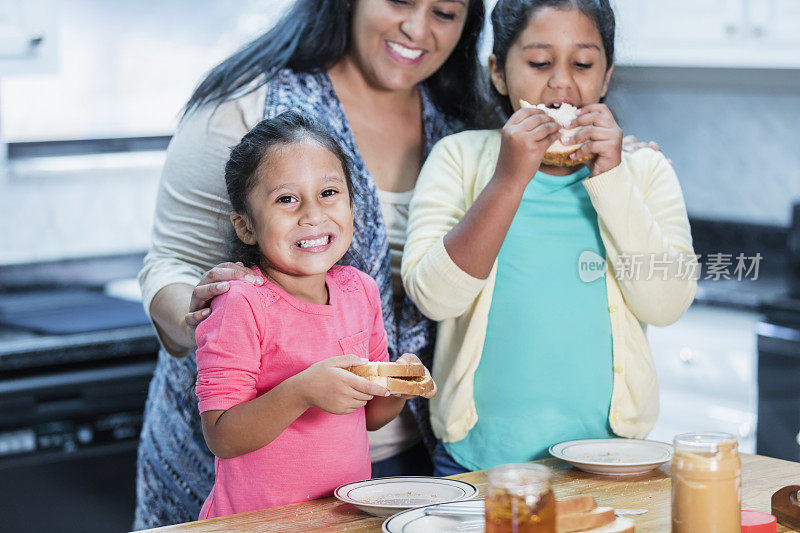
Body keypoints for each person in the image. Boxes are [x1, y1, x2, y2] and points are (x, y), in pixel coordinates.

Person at [134, 0, 488, 528]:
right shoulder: (245, 104)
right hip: (240, 476)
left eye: (444, 12)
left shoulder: (467, 120)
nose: (417, 28)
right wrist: (200, 313)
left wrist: (402, 382)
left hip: (390, 464)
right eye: (400, 1)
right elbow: (170, 260)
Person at [401, 0, 697, 476]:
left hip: (611, 464)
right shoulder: (457, 158)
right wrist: (508, 180)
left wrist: (614, 176)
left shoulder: (646, 171)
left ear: (605, 76)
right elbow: (434, 298)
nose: (561, 83)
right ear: (498, 72)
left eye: (582, 64)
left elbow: (666, 304)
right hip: (476, 465)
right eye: (539, 63)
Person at [194, 111, 436, 519]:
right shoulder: (241, 303)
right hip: (258, 525)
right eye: (286, 199)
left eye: (329, 193)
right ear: (246, 226)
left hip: (343, 518)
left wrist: (399, 386)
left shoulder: (360, 291)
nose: (312, 214)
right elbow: (221, 435)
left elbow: (373, 417)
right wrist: (302, 391)